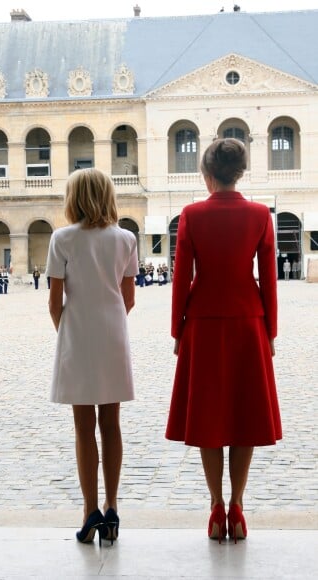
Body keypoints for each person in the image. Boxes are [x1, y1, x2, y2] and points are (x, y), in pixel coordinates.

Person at [166, 138, 281, 543]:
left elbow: (181, 278)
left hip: (203, 322)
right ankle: (237, 504)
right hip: (248, 320)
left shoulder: (192, 215)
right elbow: (269, 277)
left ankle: (215, 506)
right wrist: (270, 331)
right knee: (245, 415)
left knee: (209, 415)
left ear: (207, 174)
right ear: (241, 172)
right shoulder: (259, 215)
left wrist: (178, 329)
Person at [46, 168, 138, 547]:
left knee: (83, 429)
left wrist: (69, 335)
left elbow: (54, 302)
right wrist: (109, 326)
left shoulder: (62, 238)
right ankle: (112, 505)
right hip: (113, 335)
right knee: (112, 425)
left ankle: (89, 512)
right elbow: (129, 298)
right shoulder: (126, 238)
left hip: (78, 336)